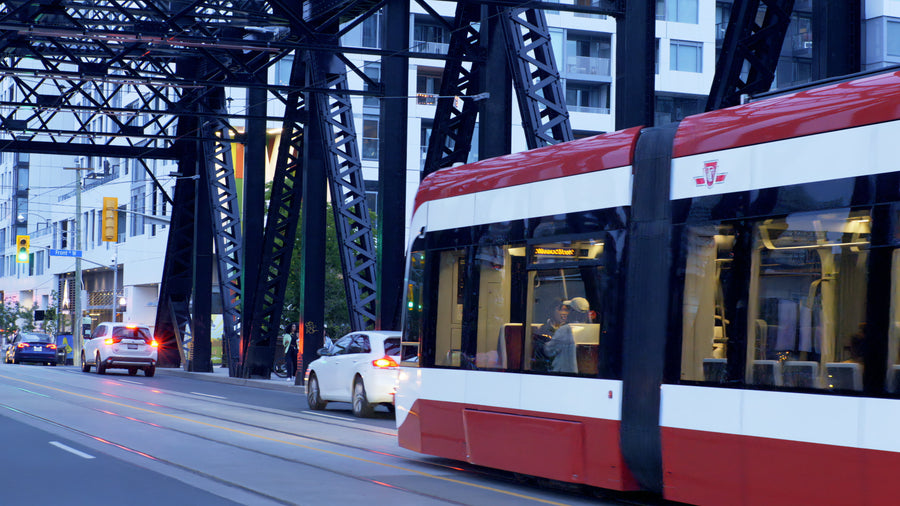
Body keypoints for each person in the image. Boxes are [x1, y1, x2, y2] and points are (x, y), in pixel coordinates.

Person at [534, 297, 590, 373]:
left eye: (566, 310)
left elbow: (549, 350)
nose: (564, 313)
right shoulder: (542, 330)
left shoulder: (568, 329)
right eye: (560, 309)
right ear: (552, 311)